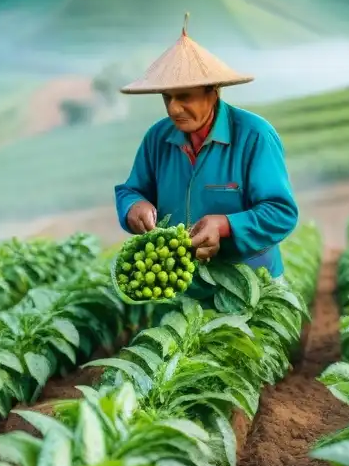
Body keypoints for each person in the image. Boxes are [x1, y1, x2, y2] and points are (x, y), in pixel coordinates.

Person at [113, 17, 299, 297]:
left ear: (213, 93)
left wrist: (224, 225)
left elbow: (281, 213)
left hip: (250, 288)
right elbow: (132, 190)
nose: (174, 109)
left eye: (184, 96)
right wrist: (134, 206)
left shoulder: (254, 136)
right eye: (167, 98)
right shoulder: (158, 138)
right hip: (182, 289)